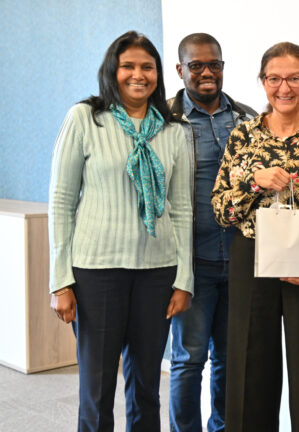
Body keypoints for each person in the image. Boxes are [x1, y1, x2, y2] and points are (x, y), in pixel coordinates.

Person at [48, 31, 193, 431]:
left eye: (147, 67)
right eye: (128, 66)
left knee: (146, 387)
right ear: (112, 70)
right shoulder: (85, 118)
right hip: (96, 272)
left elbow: (182, 209)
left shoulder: (174, 130)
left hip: (157, 273)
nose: (138, 75)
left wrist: (184, 279)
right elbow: (61, 201)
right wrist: (60, 281)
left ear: (158, 74)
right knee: (96, 390)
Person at [211, 41, 299, 432]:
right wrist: (254, 183)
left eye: (294, 78)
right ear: (262, 81)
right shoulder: (243, 137)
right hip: (253, 255)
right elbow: (221, 210)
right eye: (274, 78)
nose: (284, 88)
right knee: (250, 368)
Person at [167, 32, 256, 432]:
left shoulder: (246, 118)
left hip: (239, 261)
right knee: (188, 360)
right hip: (192, 264)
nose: (207, 73)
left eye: (214, 65)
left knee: (230, 359)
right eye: (196, 65)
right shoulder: (165, 120)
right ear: (180, 69)